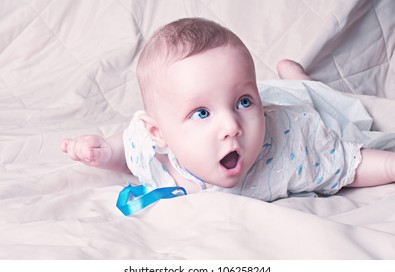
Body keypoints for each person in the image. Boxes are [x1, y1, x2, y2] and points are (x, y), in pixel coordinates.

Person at [61, 18, 395, 201]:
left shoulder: (292, 146)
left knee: (329, 103)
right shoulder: (150, 147)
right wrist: (104, 151)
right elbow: (127, 150)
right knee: (237, 91)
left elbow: (348, 162)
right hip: (265, 94)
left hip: (302, 107)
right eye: (202, 113)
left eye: (243, 104)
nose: (232, 126)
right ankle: (285, 78)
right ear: (158, 133)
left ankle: (297, 78)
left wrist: (389, 166)